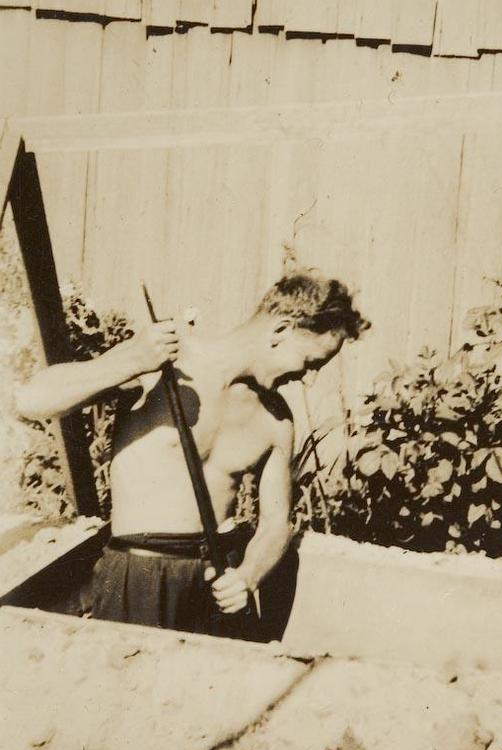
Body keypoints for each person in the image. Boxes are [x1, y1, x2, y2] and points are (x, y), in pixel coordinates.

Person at [16, 272, 369, 641]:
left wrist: (248, 576)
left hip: (218, 582)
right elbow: (33, 400)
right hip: (141, 578)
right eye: (311, 362)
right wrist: (129, 362)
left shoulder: (276, 418)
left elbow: (276, 523)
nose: (305, 378)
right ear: (280, 330)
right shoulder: (167, 362)